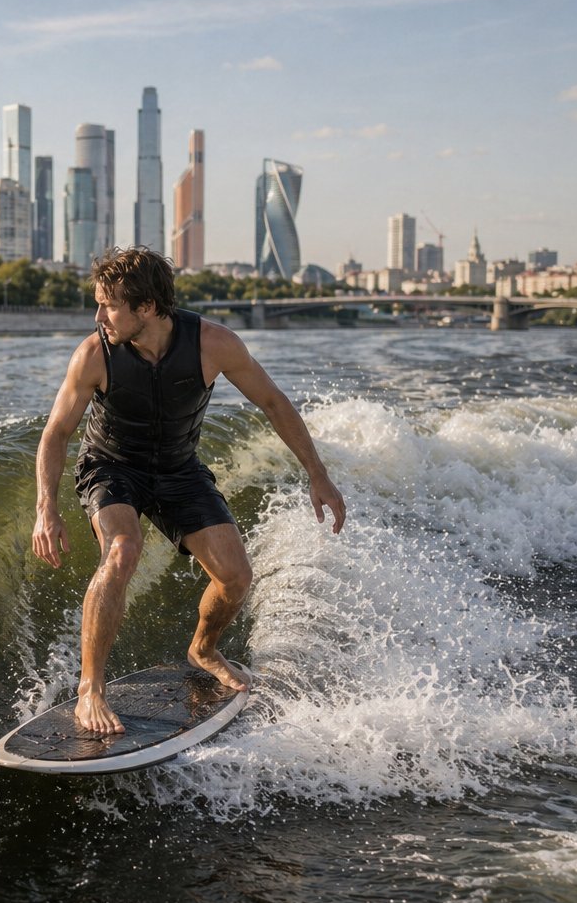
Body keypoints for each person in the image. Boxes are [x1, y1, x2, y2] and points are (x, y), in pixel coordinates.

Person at [31, 246, 345, 734]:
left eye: (109, 305)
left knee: (236, 577)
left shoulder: (213, 343)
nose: (98, 316)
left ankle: (203, 648)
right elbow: (56, 433)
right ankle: (90, 687)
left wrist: (317, 473)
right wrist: (44, 509)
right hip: (112, 468)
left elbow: (271, 401)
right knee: (121, 550)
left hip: (178, 469)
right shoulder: (95, 354)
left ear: (148, 307)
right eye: (98, 304)